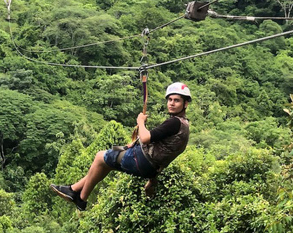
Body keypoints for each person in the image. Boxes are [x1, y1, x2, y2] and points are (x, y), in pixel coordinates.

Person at [50, 82, 191, 211]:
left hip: (141, 159)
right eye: (170, 100)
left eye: (176, 100)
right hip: (149, 165)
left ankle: (81, 199)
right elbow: (163, 152)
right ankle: (73, 189)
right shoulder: (184, 126)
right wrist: (152, 179)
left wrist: (140, 122)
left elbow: (147, 138)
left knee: (100, 156)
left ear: (185, 104)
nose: (171, 103)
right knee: (111, 154)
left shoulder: (174, 123)